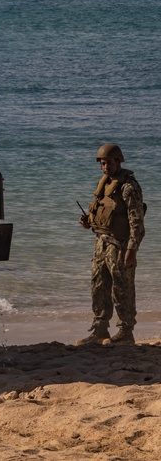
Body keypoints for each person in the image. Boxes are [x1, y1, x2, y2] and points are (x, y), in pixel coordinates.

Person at [75, 143, 145, 346]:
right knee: (99, 286)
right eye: (102, 164)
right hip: (101, 243)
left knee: (122, 288)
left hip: (120, 245)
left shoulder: (129, 187)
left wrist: (132, 248)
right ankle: (100, 329)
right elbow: (104, 211)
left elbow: (137, 222)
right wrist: (88, 221)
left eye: (107, 163)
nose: (104, 167)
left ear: (118, 161)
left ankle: (125, 332)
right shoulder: (105, 183)